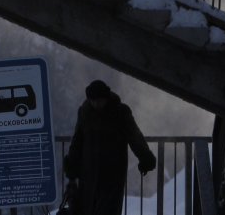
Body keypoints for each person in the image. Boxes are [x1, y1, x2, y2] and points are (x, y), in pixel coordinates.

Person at [63, 80, 156, 215]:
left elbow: (135, 137)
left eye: (99, 100)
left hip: (111, 176)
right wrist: (72, 167)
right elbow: (77, 142)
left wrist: (145, 158)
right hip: (89, 175)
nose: (96, 104)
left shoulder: (120, 112)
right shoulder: (84, 112)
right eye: (93, 101)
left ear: (106, 98)